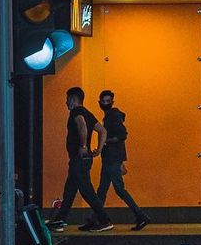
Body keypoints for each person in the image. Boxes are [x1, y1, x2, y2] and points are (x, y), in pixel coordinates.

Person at [49, 87, 113, 233]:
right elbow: (103, 131)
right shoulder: (88, 113)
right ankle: (60, 221)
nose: (66, 103)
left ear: (73, 99)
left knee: (86, 191)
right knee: (70, 191)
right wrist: (99, 149)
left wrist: (83, 146)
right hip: (83, 159)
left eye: (67, 100)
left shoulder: (76, 112)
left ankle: (105, 220)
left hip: (79, 158)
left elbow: (82, 125)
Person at [89, 90, 150, 232]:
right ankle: (95, 217)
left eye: (107, 101)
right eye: (103, 101)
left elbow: (122, 135)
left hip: (111, 158)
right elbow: (121, 138)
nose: (105, 104)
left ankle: (140, 215)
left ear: (112, 102)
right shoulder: (112, 115)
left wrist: (105, 142)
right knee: (103, 190)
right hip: (112, 158)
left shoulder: (112, 116)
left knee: (116, 189)